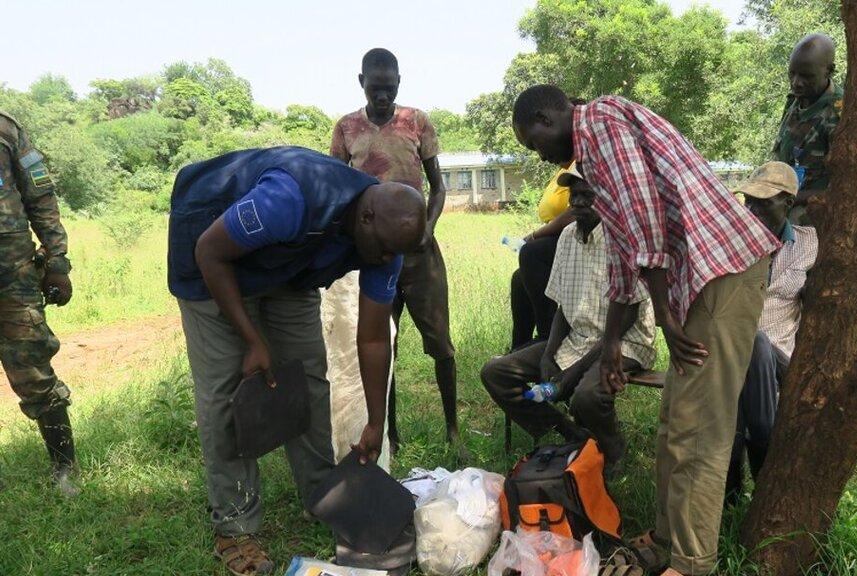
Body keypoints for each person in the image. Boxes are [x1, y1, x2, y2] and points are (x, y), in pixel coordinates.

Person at [511, 85, 779, 576]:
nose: (541, 155)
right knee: (674, 423)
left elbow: (648, 222)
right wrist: (612, 341)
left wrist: (664, 316)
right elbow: (623, 251)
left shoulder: (602, 123)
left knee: (699, 429)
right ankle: (665, 539)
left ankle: (692, 563)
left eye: (534, 143)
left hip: (724, 274)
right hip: (698, 281)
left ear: (547, 119)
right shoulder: (594, 153)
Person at [167, 146, 426, 575]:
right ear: (365, 218)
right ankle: (234, 526)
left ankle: (323, 495)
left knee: (308, 378)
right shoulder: (289, 199)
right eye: (382, 252)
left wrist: (375, 422)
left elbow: (374, 337)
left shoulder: (388, 240)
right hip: (210, 258)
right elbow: (209, 252)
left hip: (288, 267)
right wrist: (253, 341)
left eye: (392, 255)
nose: (385, 261)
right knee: (228, 393)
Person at [482, 169, 655, 474]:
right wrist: (548, 354)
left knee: (585, 397)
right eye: (574, 196)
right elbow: (563, 305)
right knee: (496, 373)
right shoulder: (566, 237)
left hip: (624, 343)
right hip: (578, 339)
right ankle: (572, 435)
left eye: (588, 196)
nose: (578, 203)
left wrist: (572, 373)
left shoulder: (623, 240)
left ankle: (613, 449)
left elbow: (627, 316)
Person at [331, 48, 458, 451]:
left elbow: (438, 187)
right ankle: (390, 433)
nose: (382, 95)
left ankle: (453, 428)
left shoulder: (416, 122)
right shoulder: (346, 128)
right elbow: (337, 190)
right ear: (362, 83)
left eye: (389, 88)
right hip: (372, 257)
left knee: (440, 343)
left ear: (399, 83)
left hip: (419, 252)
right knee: (383, 345)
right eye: (375, 88)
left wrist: (427, 228)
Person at [725, 162, 818, 505]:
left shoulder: (809, 244)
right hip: (733, 351)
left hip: (778, 356)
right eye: (750, 201)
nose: (753, 210)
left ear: (788, 203)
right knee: (751, 347)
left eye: (764, 202)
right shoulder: (734, 244)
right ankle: (757, 451)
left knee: (759, 344)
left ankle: (759, 444)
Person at [0, 111, 77, 497]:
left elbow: (41, 196)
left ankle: (64, 470)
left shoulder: (5, 128)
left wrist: (57, 260)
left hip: (12, 276)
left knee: (32, 366)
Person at [774, 33, 843, 225]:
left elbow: (846, 187)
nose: (796, 82)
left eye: (806, 76)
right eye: (792, 73)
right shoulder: (795, 100)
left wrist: (792, 198)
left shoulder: (840, 114)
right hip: (782, 202)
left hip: (812, 213)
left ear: (829, 71)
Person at [510, 166, 578, 350]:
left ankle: (546, 336)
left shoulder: (583, 162)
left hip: (580, 238)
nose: (542, 158)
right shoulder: (563, 169)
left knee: (531, 253)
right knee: (519, 278)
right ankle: (519, 347)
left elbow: (573, 212)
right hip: (561, 237)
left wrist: (535, 235)